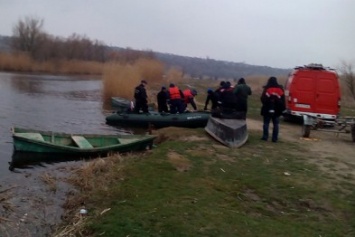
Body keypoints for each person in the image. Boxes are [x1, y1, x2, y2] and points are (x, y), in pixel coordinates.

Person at [260, 76, 286, 142]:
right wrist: (282, 108)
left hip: (267, 109)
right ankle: (274, 138)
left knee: (266, 123)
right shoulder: (280, 89)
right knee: (276, 124)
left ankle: (265, 137)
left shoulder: (267, 89)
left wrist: (267, 104)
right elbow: (283, 100)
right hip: (277, 110)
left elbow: (263, 99)